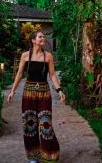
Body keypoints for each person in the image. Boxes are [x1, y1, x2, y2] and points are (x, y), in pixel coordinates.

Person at [7, 30, 65, 163]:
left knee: (46, 124)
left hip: (44, 93)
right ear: (33, 40)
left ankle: (49, 155)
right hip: (28, 93)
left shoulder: (48, 56)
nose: (43, 38)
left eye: (43, 36)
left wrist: (59, 90)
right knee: (30, 125)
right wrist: (12, 91)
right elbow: (19, 74)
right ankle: (33, 157)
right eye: (40, 37)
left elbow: (52, 75)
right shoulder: (25, 56)